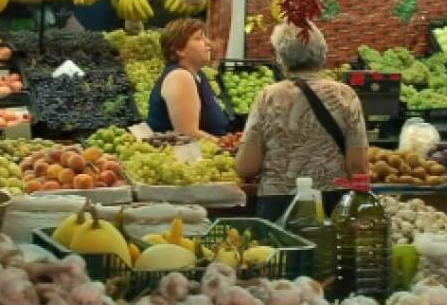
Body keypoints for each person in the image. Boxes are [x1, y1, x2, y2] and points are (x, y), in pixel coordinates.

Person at [236, 22, 369, 221]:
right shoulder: (345, 95)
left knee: (282, 251)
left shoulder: (268, 97)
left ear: (281, 58)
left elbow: (247, 166)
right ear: (323, 54)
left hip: (278, 202)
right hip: (331, 201)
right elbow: (358, 166)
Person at [145, 19, 228, 141]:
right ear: (179, 49)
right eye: (199, 38)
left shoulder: (198, 75)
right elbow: (188, 134)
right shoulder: (180, 77)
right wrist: (227, 145)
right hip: (189, 157)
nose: (208, 43)